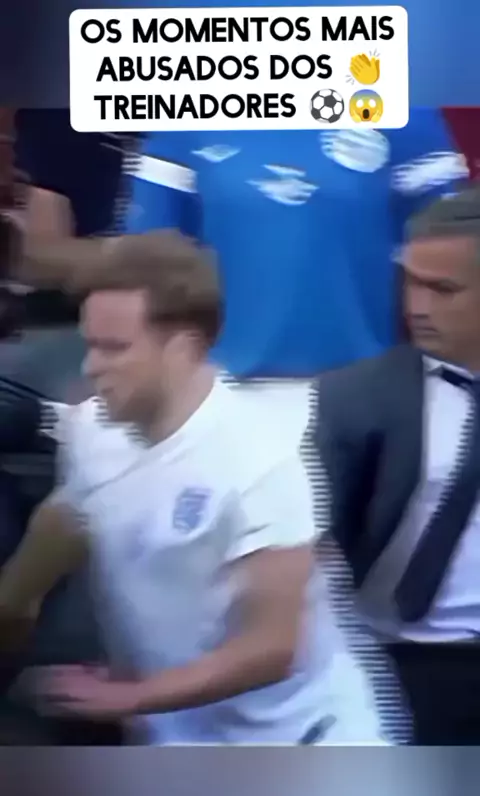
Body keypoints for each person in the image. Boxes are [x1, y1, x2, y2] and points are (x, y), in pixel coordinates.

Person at [0, 230, 385, 745]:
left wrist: (126, 697)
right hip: (175, 739)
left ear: (183, 348)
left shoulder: (262, 458)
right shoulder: (94, 430)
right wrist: (15, 603)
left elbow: (272, 647)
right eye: (90, 344)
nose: (92, 366)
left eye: (114, 348)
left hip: (302, 746)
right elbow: (72, 516)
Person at [315, 185, 480, 745]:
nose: (418, 307)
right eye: (411, 282)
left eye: (443, 289)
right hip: (390, 662)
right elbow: (309, 548)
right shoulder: (355, 397)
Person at [125, 110, 468, 378]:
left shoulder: (403, 103)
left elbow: (453, 256)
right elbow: (148, 265)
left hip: (367, 389)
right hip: (222, 392)